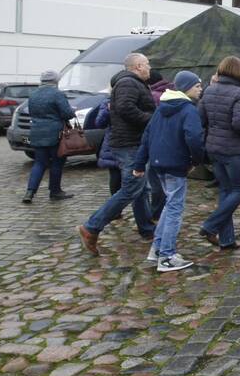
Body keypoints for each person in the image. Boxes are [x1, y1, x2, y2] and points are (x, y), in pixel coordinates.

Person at [78, 53, 157, 255]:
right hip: (128, 144)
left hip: (133, 142)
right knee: (132, 188)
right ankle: (91, 227)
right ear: (138, 66)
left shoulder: (132, 83)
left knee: (141, 189)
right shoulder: (129, 83)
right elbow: (124, 107)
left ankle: (147, 229)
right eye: (147, 64)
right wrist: (151, 120)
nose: (150, 68)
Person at [133, 71, 204, 272]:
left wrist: (140, 164)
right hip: (175, 165)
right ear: (187, 88)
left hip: (158, 164)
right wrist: (196, 161)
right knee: (174, 209)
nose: (201, 89)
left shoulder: (162, 107)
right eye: (197, 86)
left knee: (169, 205)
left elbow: (147, 137)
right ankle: (167, 256)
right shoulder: (188, 110)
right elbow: (194, 138)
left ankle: (157, 249)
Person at [198, 55, 240, 250]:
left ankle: (227, 240)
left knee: (226, 191)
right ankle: (210, 225)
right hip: (232, 149)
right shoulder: (239, 93)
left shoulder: (209, 91)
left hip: (213, 147)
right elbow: (239, 123)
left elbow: (200, 119)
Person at [22, 70, 75, 204]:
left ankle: (30, 192)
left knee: (39, 163)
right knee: (57, 162)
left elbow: (31, 112)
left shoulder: (33, 94)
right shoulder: (57, 94)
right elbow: (66, 113)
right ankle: (55, 191)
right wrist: (72, 111)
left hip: (37, 132)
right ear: (56, 81)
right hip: (55, 133)